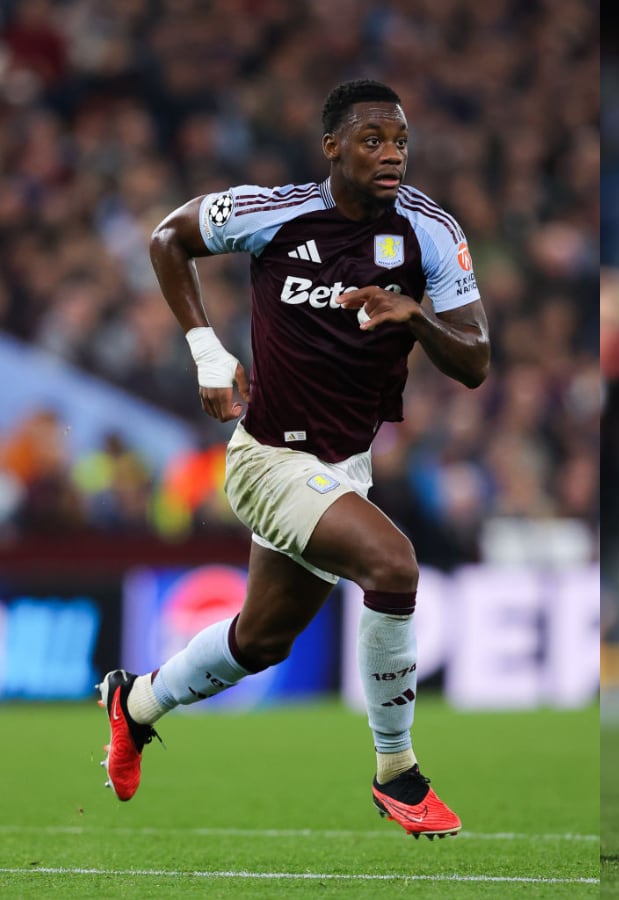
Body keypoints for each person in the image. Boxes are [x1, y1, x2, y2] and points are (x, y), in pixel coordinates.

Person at [97, 78, 490, 840]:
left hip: (342, 468)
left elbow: (474, 361)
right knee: (394, 566)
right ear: (333, 148)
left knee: (261, 639)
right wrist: (206, 351)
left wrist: (416, 317)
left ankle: (135, 702)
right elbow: (167, 238)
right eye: (373, 140)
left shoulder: (431, 232)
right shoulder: (272, 212)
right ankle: (397, 773)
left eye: (401, 142)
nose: (391, 156)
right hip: (268, 458)